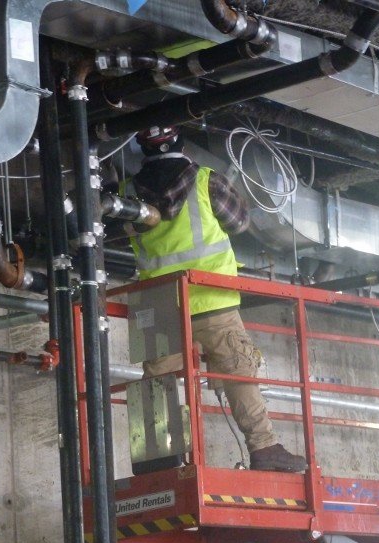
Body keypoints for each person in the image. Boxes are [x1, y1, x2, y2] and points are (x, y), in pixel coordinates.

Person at [122, 125, 307, 473]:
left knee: (156, 377)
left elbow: (120, 232)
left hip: (157, 302)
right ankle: (264, 449)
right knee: (238, 371)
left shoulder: (126, 192)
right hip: (212, 298)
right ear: (179, 141)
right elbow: (238, 223)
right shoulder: (207, 181)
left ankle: (155, 456)